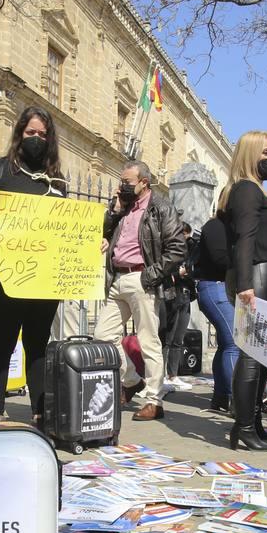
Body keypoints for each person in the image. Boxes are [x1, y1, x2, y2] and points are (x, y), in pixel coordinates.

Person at [0, 106, 69, 422]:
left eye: (43, 135)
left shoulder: (57, 182)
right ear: (19, 134)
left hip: (43, 281)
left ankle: (40, 412)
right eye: (31, 133)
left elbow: (65, 228)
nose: (37, 139)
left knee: (38, 345)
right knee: (2, 340)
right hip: (5, 276)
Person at [96, 159, 186, 422]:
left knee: (148, 340)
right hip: (117, 279)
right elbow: (103, 234)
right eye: (121, 181)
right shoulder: (124, 209)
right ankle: (132, 380)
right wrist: (114, 210)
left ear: (144, 183)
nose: (122, 186)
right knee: (103, 335)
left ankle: (154, 400)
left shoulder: (160, 207)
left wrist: (151, 276)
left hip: (141, 278)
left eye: (127, 182)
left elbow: (177, 249)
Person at [219, 130, 267, 450]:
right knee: (253, 353)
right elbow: (245, 238)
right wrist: (246, 284)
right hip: (257, 278)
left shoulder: (255, 190)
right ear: (250, 156)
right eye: (264, 153)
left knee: (262, 355)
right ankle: (243, 427)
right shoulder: (247, 189)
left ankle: (255, 422)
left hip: (264, 276)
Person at [195, 214, 236, 413]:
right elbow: (221, 258)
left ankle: (222, 397)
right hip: (216, 287)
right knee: (234, 344)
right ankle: (234, 399)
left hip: (217, 287)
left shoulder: (219, 226)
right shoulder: (216, 226)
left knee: (226, 344)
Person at [161, 223, 196, 391]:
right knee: (167, 338)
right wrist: (177, 274)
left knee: (178, 338)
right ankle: (158, 376)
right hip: (171, 295)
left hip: (185, 294)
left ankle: (172, 375)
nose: (186, 240)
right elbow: (164, 270)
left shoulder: (190, 250)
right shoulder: (169, 249)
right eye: (184, 236)